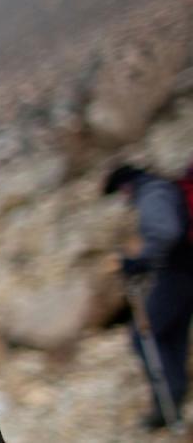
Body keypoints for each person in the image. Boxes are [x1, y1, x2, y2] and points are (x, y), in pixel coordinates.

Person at [104, 164, 193, 430]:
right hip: (185, 271)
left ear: (125, 186)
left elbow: (166, 233)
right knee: (172, 334)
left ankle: (167, 404)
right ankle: (174, 398)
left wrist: (139, 262)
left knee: (146, 335)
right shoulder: (164, 188)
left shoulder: (152, 194)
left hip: (179, 272)